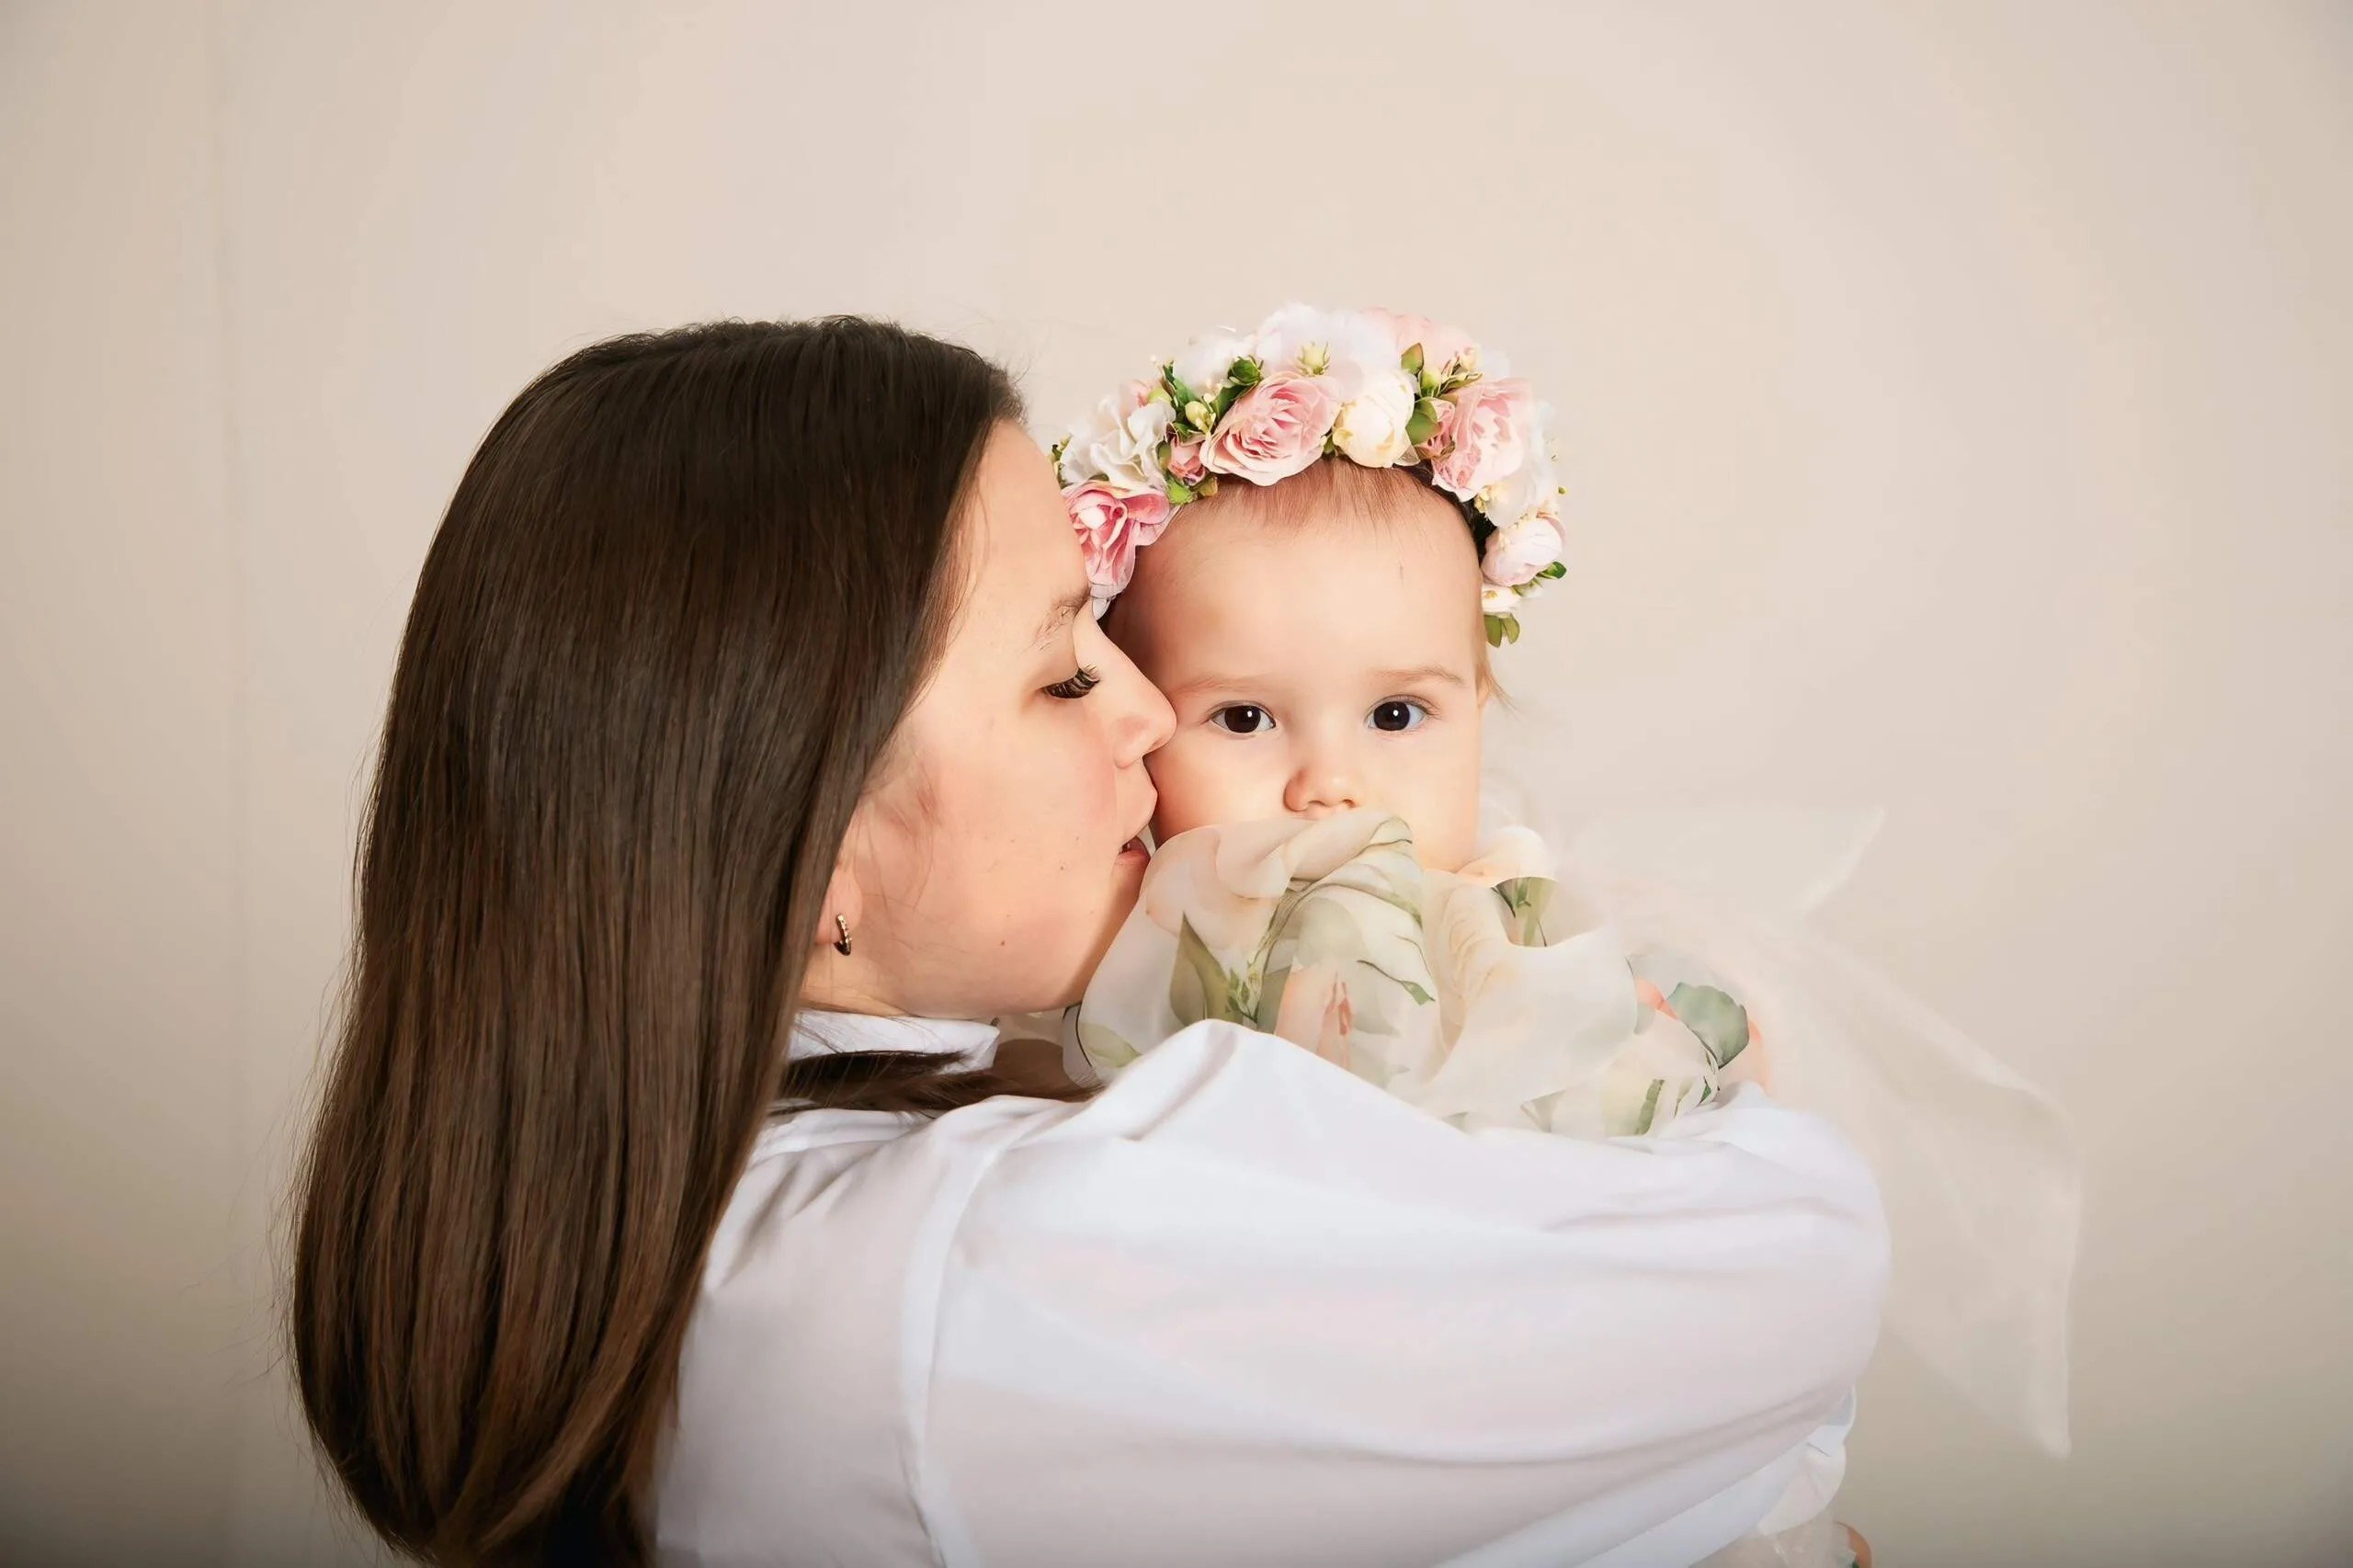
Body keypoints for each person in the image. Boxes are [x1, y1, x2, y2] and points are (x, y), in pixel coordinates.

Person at [290, 317, 1887, 1567]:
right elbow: (1797, 1268)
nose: (1146, 713)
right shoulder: (985, 1272)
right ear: (815, 855)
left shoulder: (717, 1221)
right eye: (1065, 670)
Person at [1054, 304, 2083, 1565]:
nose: (1332, 785)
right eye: (1246, 719)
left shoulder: (1518, 912)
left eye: (1396, 714)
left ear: (1480, 708)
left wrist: (1681, 1049)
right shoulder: (1145, 951)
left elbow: (1637, 1112)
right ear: (1140, 722)